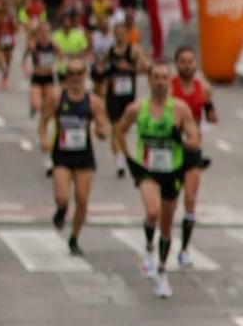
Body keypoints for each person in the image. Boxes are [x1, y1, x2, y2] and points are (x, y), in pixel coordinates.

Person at [116, 61, 201, 300]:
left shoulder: (180, 110)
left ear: (169, 81)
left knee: (166, 224)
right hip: (147, 170)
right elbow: (120, 130)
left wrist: (182, 141)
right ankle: (147, 248)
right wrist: (128, 158)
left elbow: (195, 140)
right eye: (156, 77)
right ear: (149, 80)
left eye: (165, 77)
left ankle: (162, 271)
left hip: (172, 171)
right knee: (152, 211)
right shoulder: (137, 109)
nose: (161, 81)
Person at [42, 59, 108, 256]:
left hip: (84, 157)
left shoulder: (93, 101)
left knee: (82, 200)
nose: (75, 78)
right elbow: (43, 120)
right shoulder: (57, 98)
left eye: (79, 73)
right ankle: (61, 211)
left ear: (84, 75)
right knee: (62, 197)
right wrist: (43, 139)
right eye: (71, 73)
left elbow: (103, 125)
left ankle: (74, 238)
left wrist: (101, 131)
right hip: (62, 155)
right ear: (66, 76)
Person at [169, 47, 218, 269]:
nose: (187, 65)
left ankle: (184, 249)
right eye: (182, 61)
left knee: (190, 198)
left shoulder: (203, 89)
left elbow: (211, 114)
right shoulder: (169, 87)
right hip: (170, 150)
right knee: (168, 202)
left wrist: (211, 113)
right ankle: (161, 242)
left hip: (193, 150)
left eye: (190, 61)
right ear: (176, 64)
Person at [95, 18, 145, 179]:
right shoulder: (109, 51)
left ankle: (128, 154)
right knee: (116, 128)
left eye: (122, 33)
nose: (120, 37)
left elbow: (145, 67)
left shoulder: (134, 50)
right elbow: (99, 68)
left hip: (129, 95)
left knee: (127, 127)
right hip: (113, 95)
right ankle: (120, 161)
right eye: (117, 34)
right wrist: (102, 71)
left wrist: (130, 67)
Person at [23, 18, 60, 161]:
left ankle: (43, 131)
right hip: (37, 78)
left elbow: (61, 58)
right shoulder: (33, 45)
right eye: (42, 31)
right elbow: (25, 59)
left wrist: (58, 66)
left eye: (46, 31)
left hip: (49, 78)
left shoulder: (54, 46)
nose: (44, 34)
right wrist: (25, 68)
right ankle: (33, 108)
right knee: (37, 104)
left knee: (48, 108)